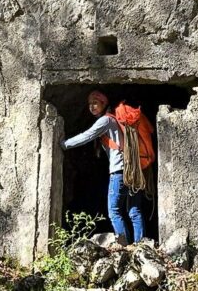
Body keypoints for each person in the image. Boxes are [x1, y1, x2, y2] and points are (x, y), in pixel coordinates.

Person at [60, 89, 144, 245]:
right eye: (90, 104)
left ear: (104, 104)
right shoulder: (117, 122)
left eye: (95, 103)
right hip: (135, 170)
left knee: (114, 211)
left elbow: (87, 136)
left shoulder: (106, 121)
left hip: (119, 172)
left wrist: (64, 144)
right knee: (134, 210)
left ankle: (124, 246)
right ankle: (141, 245)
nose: (92, 107)